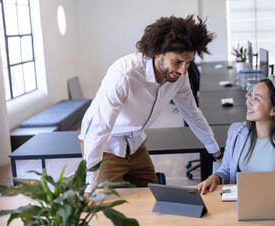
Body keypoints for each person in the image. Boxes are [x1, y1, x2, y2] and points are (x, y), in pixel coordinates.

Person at [79, 15, 222, 199]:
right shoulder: (125, 74)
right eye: (177, 62)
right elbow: (100, 127)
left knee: (152, 198)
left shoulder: (179, 77)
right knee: (105, 205)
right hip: (106, 144)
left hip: (135, 142)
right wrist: (90, 182)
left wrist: (216, 153)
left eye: (188, 63)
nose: (183, 71)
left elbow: (192, 114)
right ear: (157, 53)